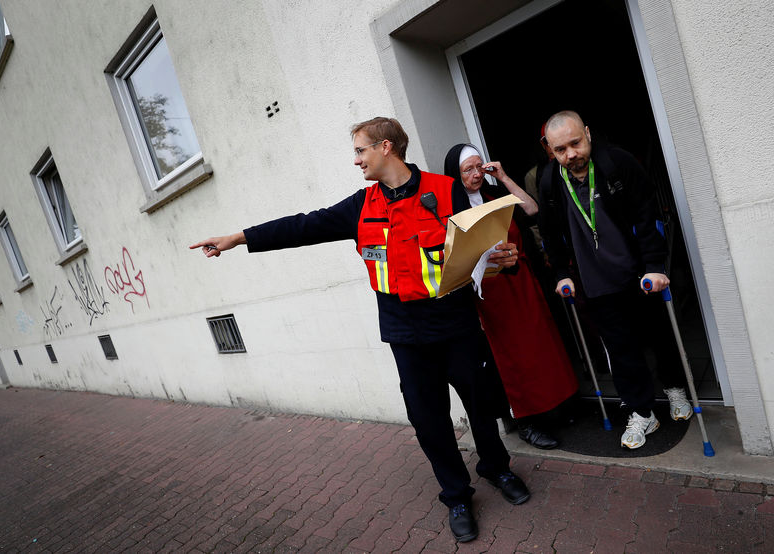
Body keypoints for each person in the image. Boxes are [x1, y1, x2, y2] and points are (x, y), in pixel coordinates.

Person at [190, 117, 530, 543]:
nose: (356, 160)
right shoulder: (361, 207)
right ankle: (457, 494)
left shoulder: (447, 190)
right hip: (407, 338)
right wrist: (239, 238)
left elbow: (483, 249)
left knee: (482, 406)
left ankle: (497, 469)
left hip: (457, 326)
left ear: (386, 147)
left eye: (360, 151)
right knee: (429, 421)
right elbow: (303, 225)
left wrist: (504, 259)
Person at [537, 110, 692, 450]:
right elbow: (549, 232)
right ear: (551, 150)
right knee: (621, 350)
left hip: (638, 274)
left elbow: (646, 212)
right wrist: (562, 273)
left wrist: (654, 264)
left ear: (588, 133)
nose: (570, 155)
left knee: (657, 334)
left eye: (575, 144)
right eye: (560, 149)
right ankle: (641, 411)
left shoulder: (615, 163)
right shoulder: (550, 181)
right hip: (595, 282)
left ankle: (675, 387)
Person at [443, 144, 579, 450]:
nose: (477, 174)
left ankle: (558, 405)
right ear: (455, 173)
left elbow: (531, 210)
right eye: (469, 169)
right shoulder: (451, 206)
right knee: (513, 359)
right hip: (490, 292)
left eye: (480, 167)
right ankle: (527, 421)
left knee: (542, 346)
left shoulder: (494, 195)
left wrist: (503, 177)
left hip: (521, 280)